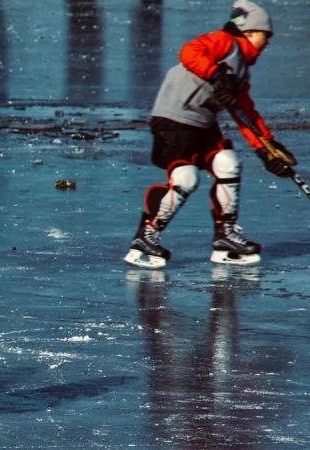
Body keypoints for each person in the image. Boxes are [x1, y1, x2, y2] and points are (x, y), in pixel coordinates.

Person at [124, 0, 297, 269]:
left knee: (228, 162)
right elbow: (189, 51)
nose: (268, 42)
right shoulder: (225, 41)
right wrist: (216, 74)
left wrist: (266, 147)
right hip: (174, 118)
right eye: (266, 35)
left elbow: (244, 112)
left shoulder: (241, 69)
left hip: (203, 123)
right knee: (186, 178)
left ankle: (225, 237)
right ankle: (146, 236)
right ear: (250, 31)